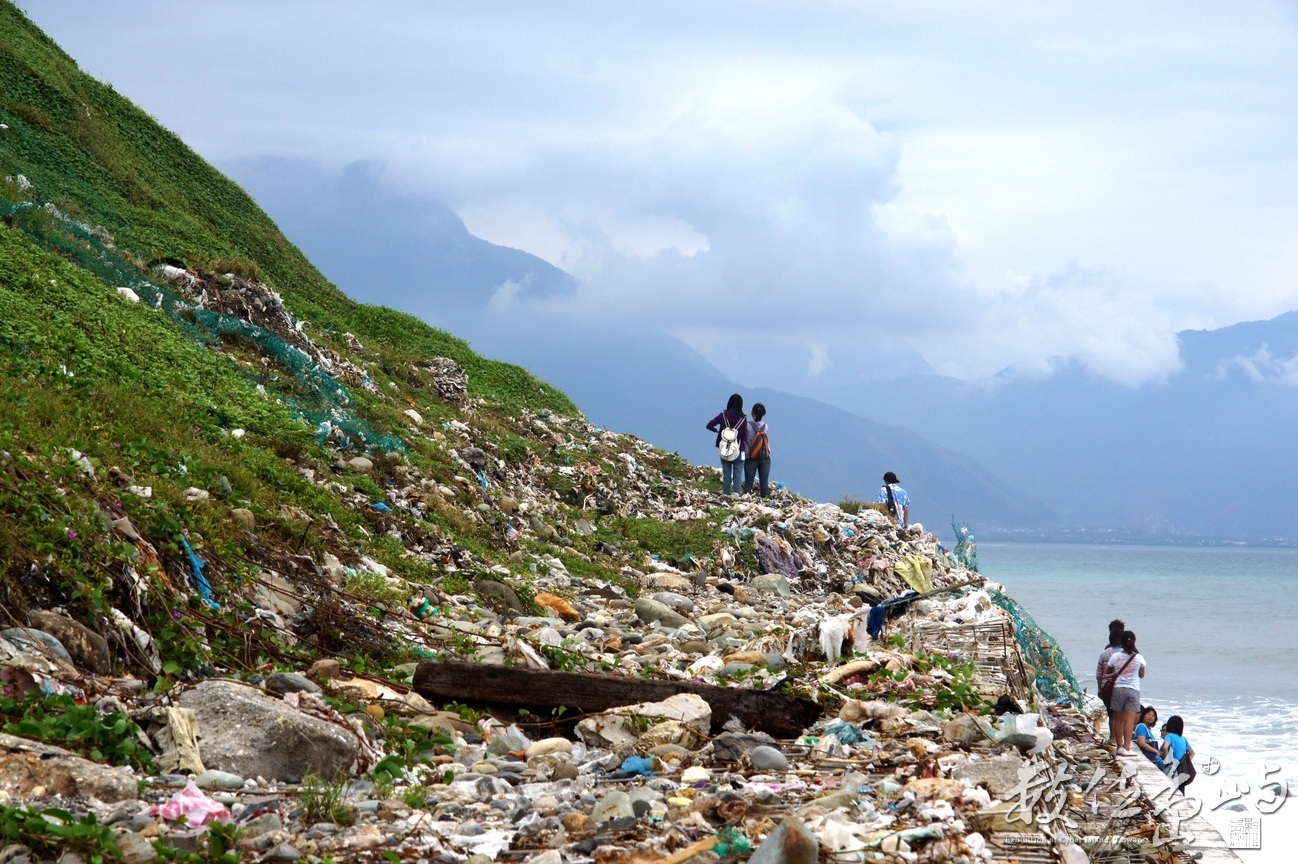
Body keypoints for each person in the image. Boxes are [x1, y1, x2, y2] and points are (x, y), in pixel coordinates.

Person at [1106, 630, 1146, 756]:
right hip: (1133, 690)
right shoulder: (1139, 657)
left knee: (1118, 720)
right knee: (1129, 720)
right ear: (1134, 642)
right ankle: (1127, 748)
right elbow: (1142, 675)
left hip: (1118, 689)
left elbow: (1108, 670)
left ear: (1121, 642)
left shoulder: (1116, 656)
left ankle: (1119, 747)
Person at [706, 393, 750, 496]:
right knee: (737, 475)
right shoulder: (743, 419)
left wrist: (718, 431)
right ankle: (736, 495)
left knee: (726, 474)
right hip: (738, 450)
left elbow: (709, 425)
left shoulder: (723, 415)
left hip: (724, 450)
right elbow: (744, 437)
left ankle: (726, 495)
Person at [1096, 619, 1125, 743]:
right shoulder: (1130, 652)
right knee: (1121, 715)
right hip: (1122, 687)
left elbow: (1099, 674)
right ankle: (1121, 740)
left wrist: (1099, 689)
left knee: (1111, 714)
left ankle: (1113, 737)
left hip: (1107, 688)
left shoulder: (1105, 653)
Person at [742, 403, 771, 498]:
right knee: (764, 483)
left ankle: (747, 500)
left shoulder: (747, 426)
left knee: (748, 483)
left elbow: (744, 438)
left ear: (752, 412)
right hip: (764, 457)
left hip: (750, 457)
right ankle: (766, 502)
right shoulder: (765, 426)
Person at [1160, 715, 1195, 790]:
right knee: (1180, 791)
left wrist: (1167, 762)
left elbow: (1165, 747)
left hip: (1172, 769)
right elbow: (1192, 753)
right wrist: (1186, 763)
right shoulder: (1183, 738)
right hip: (1182, 769)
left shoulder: (1169, 736)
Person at [1134, 705, 1165, 770]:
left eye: (1153, 716)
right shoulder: (1141, 727)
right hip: (1144, 760)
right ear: (1143, 715)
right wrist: (1156, 751)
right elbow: (1141, 743)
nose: (1151, 717)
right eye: (1149, 715)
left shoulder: (1147, 729)